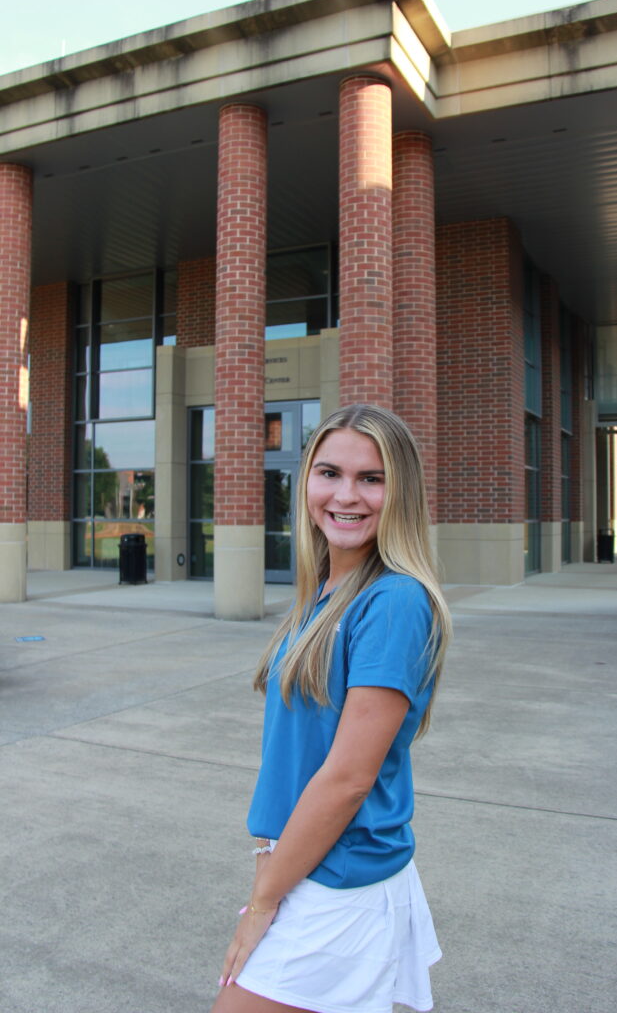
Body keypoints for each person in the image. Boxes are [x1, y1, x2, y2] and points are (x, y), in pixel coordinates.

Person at [211, 403, 452, 1013]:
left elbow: (347, 780)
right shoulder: (326, 590)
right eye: (329, 473)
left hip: (340, 881)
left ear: (402, 493)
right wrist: (271, 871)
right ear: (306, 483)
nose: (348, 495)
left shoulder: (393, 600)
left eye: (372, 478)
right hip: (308, 864)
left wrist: (262, 902)